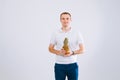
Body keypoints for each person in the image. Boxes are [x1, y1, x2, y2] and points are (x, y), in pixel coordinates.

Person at [48, 12, 85, 80]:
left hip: (72, 65)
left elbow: (82, 50)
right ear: (60, 20)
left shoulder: (77, 32)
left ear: (71, 20)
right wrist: (59, 52)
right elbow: (50, 48)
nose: (65, 20)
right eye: (63, 19)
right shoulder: (55, 33)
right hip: (59, 65)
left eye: (67, 18)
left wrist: (72, 52)